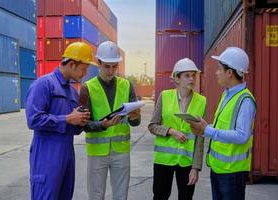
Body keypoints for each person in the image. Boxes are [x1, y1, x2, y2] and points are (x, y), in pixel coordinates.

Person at [25, 42, 97, 200]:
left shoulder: (72, 91)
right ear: (72, 64)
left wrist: (81, 122)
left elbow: (73, 127)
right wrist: (68, 118)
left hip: (66, 154)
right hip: (46, 154)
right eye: (84, 69)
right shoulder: (44, 84)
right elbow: (33, 119)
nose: (85, 74)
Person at [186, 47, 256, 200]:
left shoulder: (245, 100)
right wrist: (203, 129)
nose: (216, 73)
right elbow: (222, 128)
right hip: (218, 168)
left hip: (232, 173)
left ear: (230, 73)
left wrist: (208, 130)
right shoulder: (227, 94)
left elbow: (242, 135)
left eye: (219, 69)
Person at [79, 41, 141, 200]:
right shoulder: (88, 87)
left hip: (121, 151)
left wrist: (135, 118)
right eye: (107, 66)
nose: (111, 70)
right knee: (96, 195)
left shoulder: (127, 85)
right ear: (98, 63)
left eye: (114, 66)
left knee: (121, 196)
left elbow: (135, 122)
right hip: (97, 152)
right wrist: (102, 125)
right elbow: (83, 124)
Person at [148, 58, 206, 200]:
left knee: (186, 197)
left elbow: (200, 136)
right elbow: (152, 126)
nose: (191, 79)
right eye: (187, 76)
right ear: (177, 78)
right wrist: (170, 131)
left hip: (186, 161)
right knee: (160, 196)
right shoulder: (165, 96)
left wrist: (196, 167)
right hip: (164, 160)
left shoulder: (201, 101)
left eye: (193, 75)